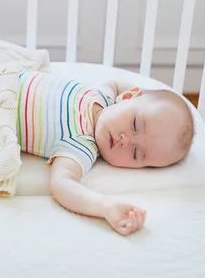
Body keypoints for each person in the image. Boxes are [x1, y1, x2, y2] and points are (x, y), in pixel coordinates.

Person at [17, 71, 194, 236]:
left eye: (136, 153)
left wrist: (104, 206)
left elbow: (62, 183)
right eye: (134, 124)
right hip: (4, 75)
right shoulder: (104, 96)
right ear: (126, 97)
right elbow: (117, 84)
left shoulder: (81, 146)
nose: (125, 141)